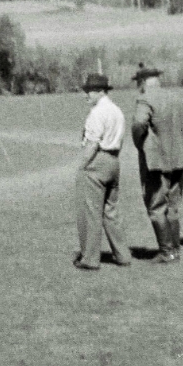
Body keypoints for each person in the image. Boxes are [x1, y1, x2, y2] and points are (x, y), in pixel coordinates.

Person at [131, 64, 183, 264]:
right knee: (173, 207)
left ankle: (166, 252)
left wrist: (141, 144)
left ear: (142, 83)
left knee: (156, 207)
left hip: (156, 162)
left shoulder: (145, 98)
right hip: (179, 160)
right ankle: (176, 250)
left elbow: (139, 123)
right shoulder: (176, 97)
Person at [74, 73, 130, 270]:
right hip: (114, 161)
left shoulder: (97, 113)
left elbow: (91, 145)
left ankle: (89, 259)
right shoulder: (117, 111)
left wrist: (81, 166)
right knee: (111, 211)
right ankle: (123, 254)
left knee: (91, 211)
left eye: (89, 91)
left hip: (98, 161)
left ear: (99, 91)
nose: (86, 95)